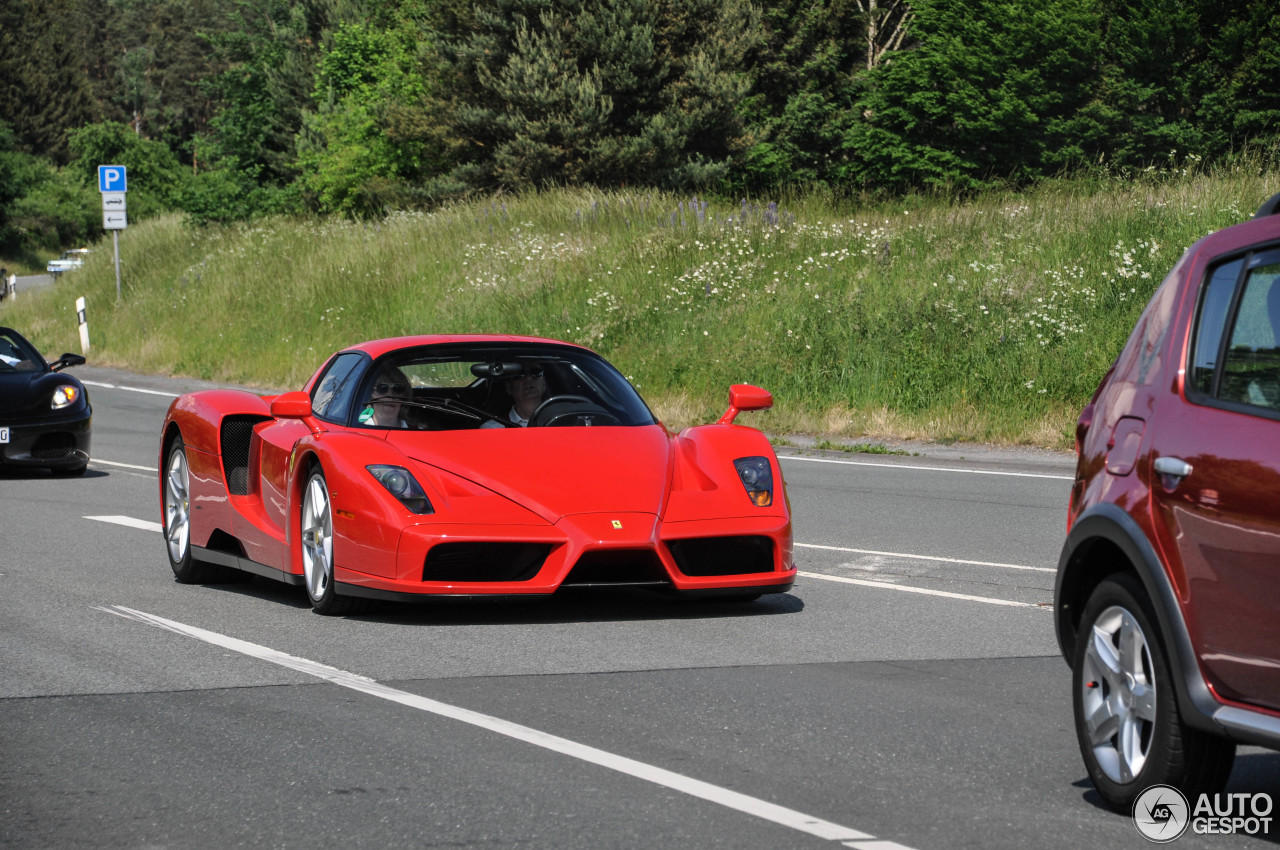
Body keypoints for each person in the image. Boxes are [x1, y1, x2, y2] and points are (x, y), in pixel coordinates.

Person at [481, 365, 547, 428]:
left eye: (535, 372)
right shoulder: (492, 429)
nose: (528, 378)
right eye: (520, 374)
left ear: (544, 383)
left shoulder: (556, 421)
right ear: (508, 387)